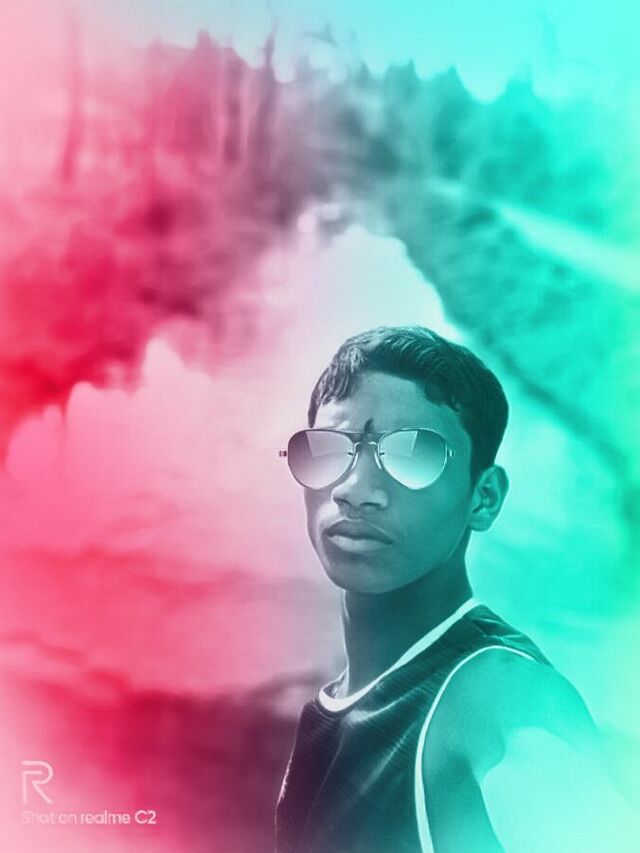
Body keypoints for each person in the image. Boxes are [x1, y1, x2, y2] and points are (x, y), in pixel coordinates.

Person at [274, 325, 635, 853]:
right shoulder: (327, 711)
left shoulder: (503, 697)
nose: (355, 490)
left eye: (413, 455)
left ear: (484, 498)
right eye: (330, 449)